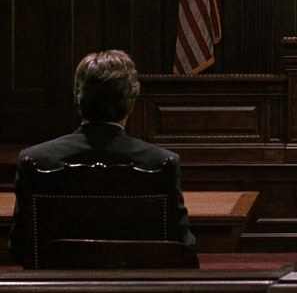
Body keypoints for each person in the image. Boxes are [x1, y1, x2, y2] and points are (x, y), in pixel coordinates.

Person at [8, 50, 195, 264]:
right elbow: (182, 246)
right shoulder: (160, 163)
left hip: (60, 282)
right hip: (136, 281)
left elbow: (20, 248)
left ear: (78, 98)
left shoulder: (35, 161)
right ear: (131, 104)